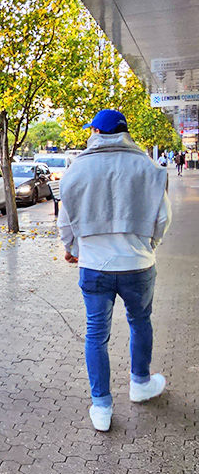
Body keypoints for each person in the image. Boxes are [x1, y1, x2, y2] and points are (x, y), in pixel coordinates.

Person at [59, 109, 171, 432]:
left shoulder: (78, 169)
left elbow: (64, 223)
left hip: (94, 267)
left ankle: (102, 407)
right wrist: (151, 243)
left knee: (96, 334)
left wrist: (75, 250)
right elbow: (163, 217)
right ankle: (140, 383)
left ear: (96, 131)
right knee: (140, 322)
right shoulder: (147, 167)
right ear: (125, 132)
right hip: (138, 264)